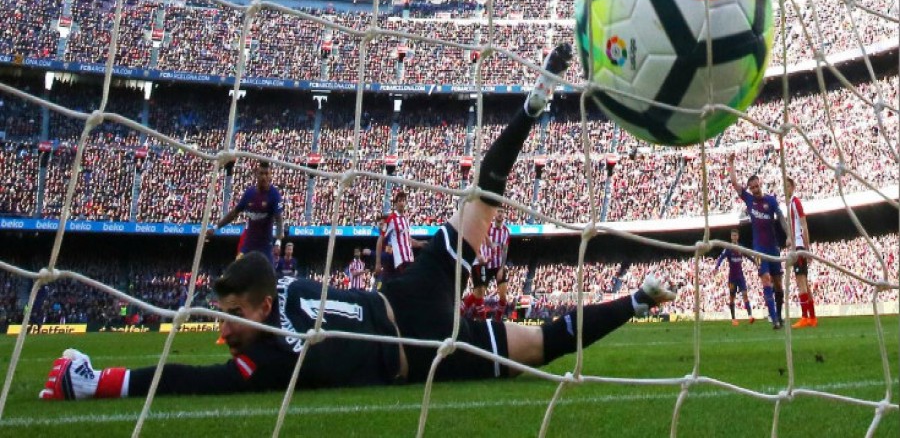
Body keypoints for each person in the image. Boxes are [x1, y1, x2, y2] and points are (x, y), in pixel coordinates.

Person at [39, 43, 676, 400]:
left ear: (259, 306)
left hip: (410, 321)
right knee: (529, 321)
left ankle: (637, 296)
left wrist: (100, 381)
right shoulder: (277, 301)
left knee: (518, 288)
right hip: (412, 313)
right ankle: (536, 114)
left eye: (229, 313)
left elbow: (191, 383)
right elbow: (203, 364)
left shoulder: (275, 356)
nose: (223, 328)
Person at [727, 153, 788, 329]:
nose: (755, 190)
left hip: (773, 247)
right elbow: (735, 185)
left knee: (777, 282)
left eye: (756, 186)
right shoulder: (749, 199)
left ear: (760, 184)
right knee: (766, 279)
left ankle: (779, 313)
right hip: (758, 248)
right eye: (752, 187)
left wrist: (789, 235)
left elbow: (782, 218)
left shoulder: (771, 200)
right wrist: (731, 165)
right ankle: (774, 318)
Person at [207, 160, 285, 267]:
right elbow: (234, 213)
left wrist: (278, 243)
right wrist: (215, 227)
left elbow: (279, 219)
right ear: (256, 174)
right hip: (248, 244)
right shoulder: (249, 193)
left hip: (265, 246)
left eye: (266, 174)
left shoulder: (274, 195)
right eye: (261, 173)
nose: (264, 177)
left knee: (269, 277)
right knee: (237, 271)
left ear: (270, 176)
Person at [463, 208, 511, 321]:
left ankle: (497, 320)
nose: (500, 214)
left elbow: (505, 250)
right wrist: (480, 256)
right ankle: (461, 310)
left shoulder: (506, 231)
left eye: (502, 212)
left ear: (504, 215)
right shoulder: (487, 227)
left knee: (504, 295)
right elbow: (476, 240)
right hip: (485, 264)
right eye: (498, 211)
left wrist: (502, 267)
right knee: (479, 293)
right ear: (494, 214)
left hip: (498, 265)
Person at [786, 178, 817, 328]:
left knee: (801, 283)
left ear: (792, 187)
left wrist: (806, 247)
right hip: (797, 245)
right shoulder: (791, 204)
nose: (785, 189)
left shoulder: (795, 202)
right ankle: (812, 317)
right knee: (805, 282)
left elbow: (804, 224)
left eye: (787, 186)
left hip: (799, 247)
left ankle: (805, 317)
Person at [714, 229, 756, 326]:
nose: (734, 237)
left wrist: (755, 263)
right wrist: (717, 267)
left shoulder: (741, 248)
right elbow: (721, 258)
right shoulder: (728, 248)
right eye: (733, 235)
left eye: (735, 235)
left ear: (738, 236)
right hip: (732, 277)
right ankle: (733, 319)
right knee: (732, 297)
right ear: (731, 237)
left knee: (745, 294)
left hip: (740, 276)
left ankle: (750, 316)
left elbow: (748, 255)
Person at [377, 192, 425, 275]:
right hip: (400, 260)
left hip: (410, 259)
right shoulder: (391, 219)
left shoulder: (405, 219)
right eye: (399, 201)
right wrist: (378, 263)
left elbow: (407, 239)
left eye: (403, 201)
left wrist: (420, 243)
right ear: (395, 204)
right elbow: (380, 239)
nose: (401, 203)